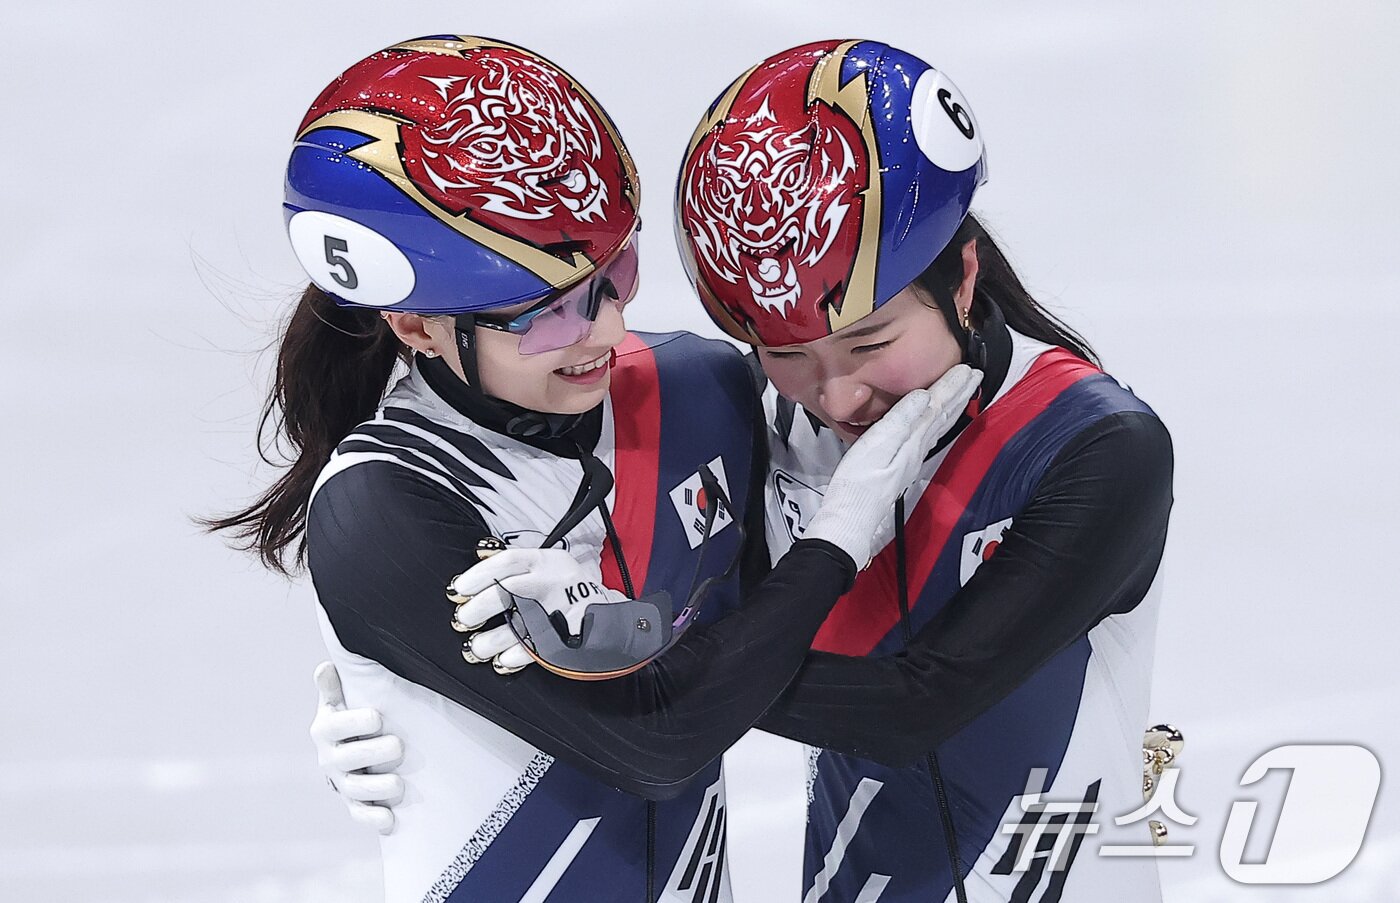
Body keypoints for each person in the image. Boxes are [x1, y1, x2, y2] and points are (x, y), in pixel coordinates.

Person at [313, 39, 1175, 903]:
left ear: (964, 278)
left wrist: (621, 648)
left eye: (870, 342)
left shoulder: (1096, 447)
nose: (837, 394)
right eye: (786, 351)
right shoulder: (752, 417)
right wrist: (435, 683)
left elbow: (914, 702)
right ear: (415, 326)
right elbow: (717, 655)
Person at [211, 36, 979, 903]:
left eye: (616, 271)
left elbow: (769, 641)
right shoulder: (380, 506)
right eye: (550, 314)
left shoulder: (699, 388)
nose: (608, 329)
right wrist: (834, 540)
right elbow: (656, 742)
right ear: (416, 325)